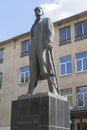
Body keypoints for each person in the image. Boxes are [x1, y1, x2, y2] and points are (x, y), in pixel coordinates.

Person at [27, 7, 60, 95]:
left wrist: (50, 41)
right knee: (33, 69)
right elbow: (32, 37)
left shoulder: (46, 20)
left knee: (48, 67)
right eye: (35, 11)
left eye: (38, 10)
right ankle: (30, 91)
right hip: (34, 48)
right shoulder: (33, 25)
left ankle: (53, 89)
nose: (37, 12)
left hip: (43, 47)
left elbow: (51, 32)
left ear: (42, 11)